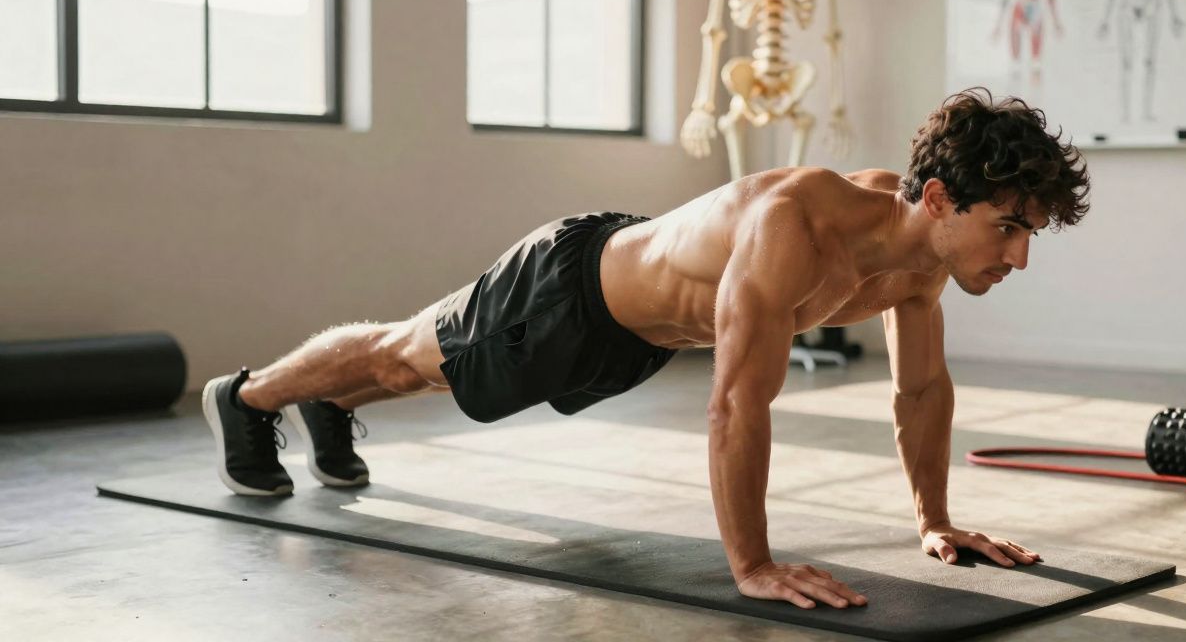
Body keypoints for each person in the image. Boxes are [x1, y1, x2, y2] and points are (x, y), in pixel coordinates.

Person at [203, 87, 1091, 610]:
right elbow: (736, 403)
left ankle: (327, 405)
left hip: (637, 342)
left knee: (435, 382)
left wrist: (934, 521)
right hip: (572, 291)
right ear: (937, 199)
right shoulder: (796, 226)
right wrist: (752, 565)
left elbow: (921, 391)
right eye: (1008, 227)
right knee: (405, 358)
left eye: (1030, 234)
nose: (1018, 256)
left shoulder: (919, 263)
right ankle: (245, 398)